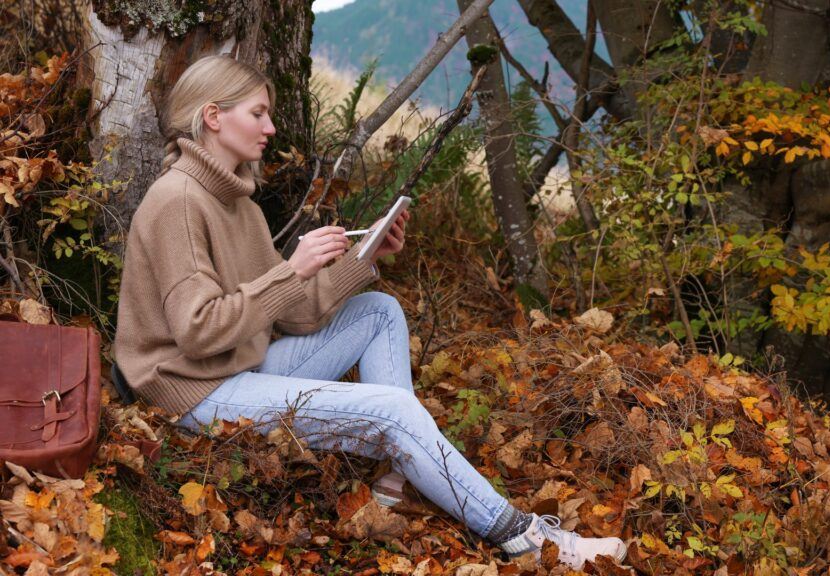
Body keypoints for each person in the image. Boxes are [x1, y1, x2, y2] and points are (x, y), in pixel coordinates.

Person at [112, 54, 626, 569]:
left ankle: (397, 475)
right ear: (213, 116)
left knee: (377, 311)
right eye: (258, 113)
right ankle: (523, 535)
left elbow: (291, 317)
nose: (271, 127)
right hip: (195, 391)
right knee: (393, 411)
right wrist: (293, 269)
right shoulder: (178, 200)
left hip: (236, 364)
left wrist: (362, 260)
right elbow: (199, 331)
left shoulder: (239, 205)